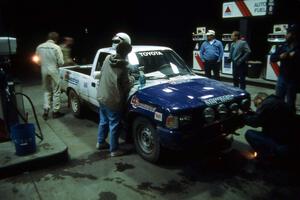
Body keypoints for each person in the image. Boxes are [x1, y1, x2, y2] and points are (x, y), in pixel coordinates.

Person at [96, 41, 134, 157]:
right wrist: (132, 78)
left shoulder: (107, 58)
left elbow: (102, 73)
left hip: (102, 95)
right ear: (126, 53)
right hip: (113, 100)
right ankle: (114, 150)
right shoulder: (124, 66)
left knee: (103, 121)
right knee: (114, 125)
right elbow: (126, 85)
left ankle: (100, 142)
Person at [244, 93, 298, 164]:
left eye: (257, 105)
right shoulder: (276, 101)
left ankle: (269, 156)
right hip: (291, 139)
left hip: (283, 145)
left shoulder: (267, 104)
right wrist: (253, 114)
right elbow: (263, 116)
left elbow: (255, 122)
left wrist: (242, 117)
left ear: (260, 100)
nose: (257, 108)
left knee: (249, 134)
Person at [271, 25, 300, 113]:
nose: (286, 35)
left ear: (294, 35)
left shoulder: (298, 47)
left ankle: (290, 121)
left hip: (293, 79)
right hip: (282, 77)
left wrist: (296, 55)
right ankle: (279, 118)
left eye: (288, 34)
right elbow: (273, 58)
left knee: (290, 102)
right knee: (278, 99)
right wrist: (280, 56)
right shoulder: (283, 46)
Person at [36, 32, 64, 120]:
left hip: (44, 70)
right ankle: (55, 112)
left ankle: (46, 110)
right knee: (56, 91)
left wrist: (42, 64)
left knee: (46, 90)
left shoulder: (39, 47)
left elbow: (37, 60)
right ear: (56, 39)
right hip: (54, 70)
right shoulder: (56, 47)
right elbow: (61, 62)